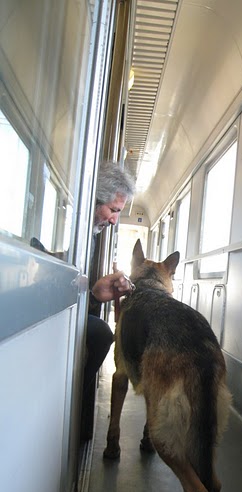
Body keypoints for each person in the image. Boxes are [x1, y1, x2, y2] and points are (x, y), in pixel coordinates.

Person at [81, 161, 136, 441]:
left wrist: (94, 296)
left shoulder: (88, 236)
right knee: (102, 332)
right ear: (94, 199)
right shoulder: (77, 232)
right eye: (113, 210)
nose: (114, 220)